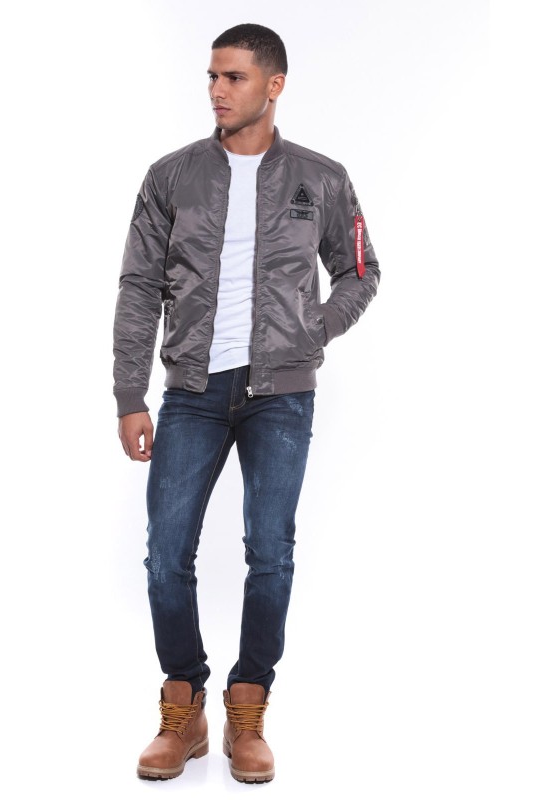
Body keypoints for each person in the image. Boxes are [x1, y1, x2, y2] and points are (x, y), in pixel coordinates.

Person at [113, 23, 380, 783]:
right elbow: (138, 286)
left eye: (233, 77)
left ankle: (248, 706)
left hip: (280, 395)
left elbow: (361, 270)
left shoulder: (321, 179)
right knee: (167, 553)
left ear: (274, 84)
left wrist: (312, 331)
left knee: (271, 552)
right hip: (192, 391)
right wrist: (129, 392)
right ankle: (184, 703)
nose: (217, 91)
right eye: (211, 76)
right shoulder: (170, 177)